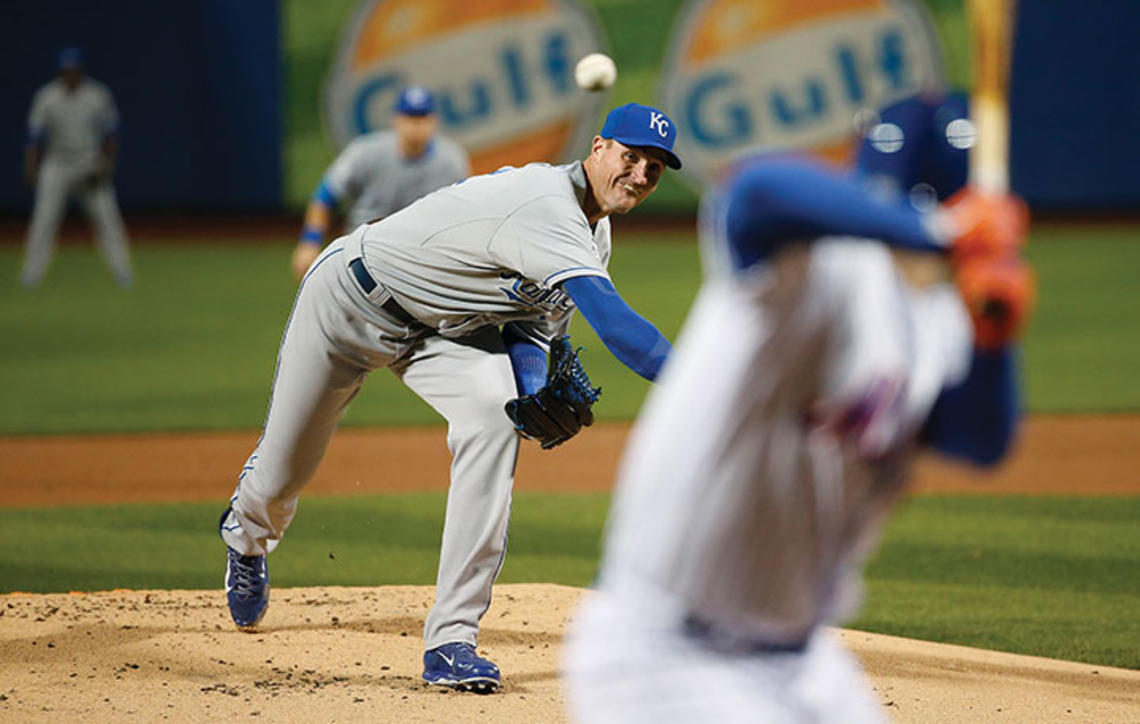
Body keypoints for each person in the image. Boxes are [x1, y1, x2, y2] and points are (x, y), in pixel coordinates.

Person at [563, 94, 1034, 723]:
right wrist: (937, 232)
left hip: (802, 660)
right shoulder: (804, 270)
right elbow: (755, 189)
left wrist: (993, 335)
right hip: (664, 654)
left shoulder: (940, 327)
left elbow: (980, 441)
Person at [219, 102, 680, 694]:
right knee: (286, 467)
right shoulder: (546, 206)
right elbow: (618, 327)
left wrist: (532, 389)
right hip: (349, 300)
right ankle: (247, 534)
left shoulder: (596, 236)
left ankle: (451, 641)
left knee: (495, 418)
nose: (641, 175)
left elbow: (531, 330)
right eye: (630, 156)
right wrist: (704, 381)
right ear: (597, 149)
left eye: (655, 168)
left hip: (441, 332)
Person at [291, 85, 471, 280]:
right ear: (396, 120)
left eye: (422, 118)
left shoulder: (452, 161)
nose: (416, 126)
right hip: (362, 249)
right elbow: (325, 196)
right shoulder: (366, 152)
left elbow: (463, 215)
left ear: (434, 122)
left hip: (419, 255)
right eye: (410, 117)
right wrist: (310, 241)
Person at [22, 47, 131, 288]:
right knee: (44, 220)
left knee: (108, 219)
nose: (69, 75)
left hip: (89, 161)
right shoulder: (47, 96)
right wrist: (31, 167)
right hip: (57, 162)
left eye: (73, 71)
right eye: (65, 71)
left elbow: (112, 133)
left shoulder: (97, 95)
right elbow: (34, 137)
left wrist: (106, 165)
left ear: (80, 71)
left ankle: (123, 273)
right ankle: (31, 275)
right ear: (60, 72)